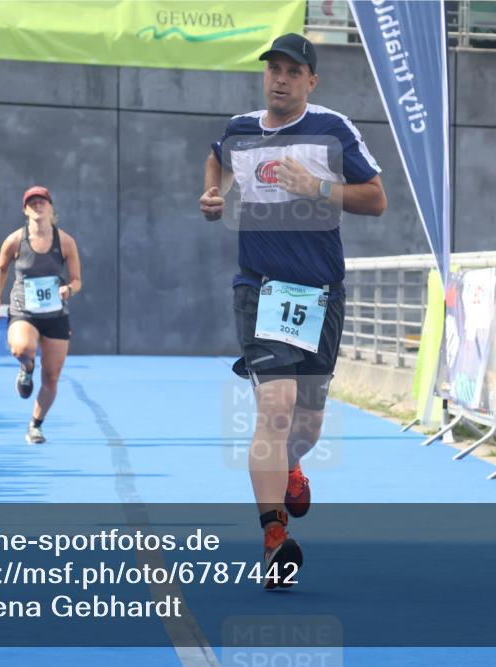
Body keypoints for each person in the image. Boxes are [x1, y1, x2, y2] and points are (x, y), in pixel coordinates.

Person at [199, 33, 387, 588]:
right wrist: (212, 196)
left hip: (319, 292)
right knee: (274, 410)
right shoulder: (242, 129)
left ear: (311, 80)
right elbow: (215, 160)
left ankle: (292, 466)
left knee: (305, 423)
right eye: (272, 69)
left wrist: (319, 186)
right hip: (260, 288)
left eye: (291, 71)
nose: (279, 79)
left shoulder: (333, 130)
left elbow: (375, 198)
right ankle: (275, 538)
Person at [0, 186, 81, 444]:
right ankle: (26, 367)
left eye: (42, 202)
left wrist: (69, 289)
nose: (37, 206)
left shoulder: (65, 241)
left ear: (51, 208)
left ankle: (36, 425)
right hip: (24, 309)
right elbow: (1, 268)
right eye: (32, 203)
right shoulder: (15, 240)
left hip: (55, 313)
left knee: (51, 377)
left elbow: (77, 280)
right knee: (21, 348)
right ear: (25, 210)